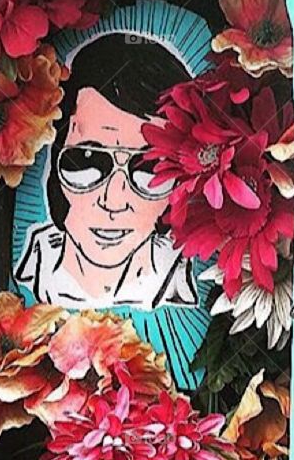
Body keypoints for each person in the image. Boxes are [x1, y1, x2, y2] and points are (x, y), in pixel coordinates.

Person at [15, 34, 198, 311]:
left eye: (148, 168)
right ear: (53, 157)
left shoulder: (181, 282)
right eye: (88, 161)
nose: (114, 200)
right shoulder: (31, 269)